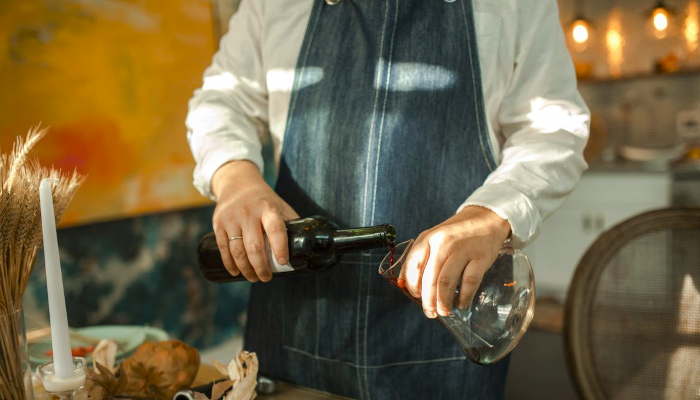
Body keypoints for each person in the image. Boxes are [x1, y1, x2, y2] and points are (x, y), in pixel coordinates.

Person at [186, 0, 589, 399]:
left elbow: (553, 129)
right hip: (295, 337)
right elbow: (222, 100)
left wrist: (490, 214)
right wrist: (235, 178)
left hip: (447, 338)